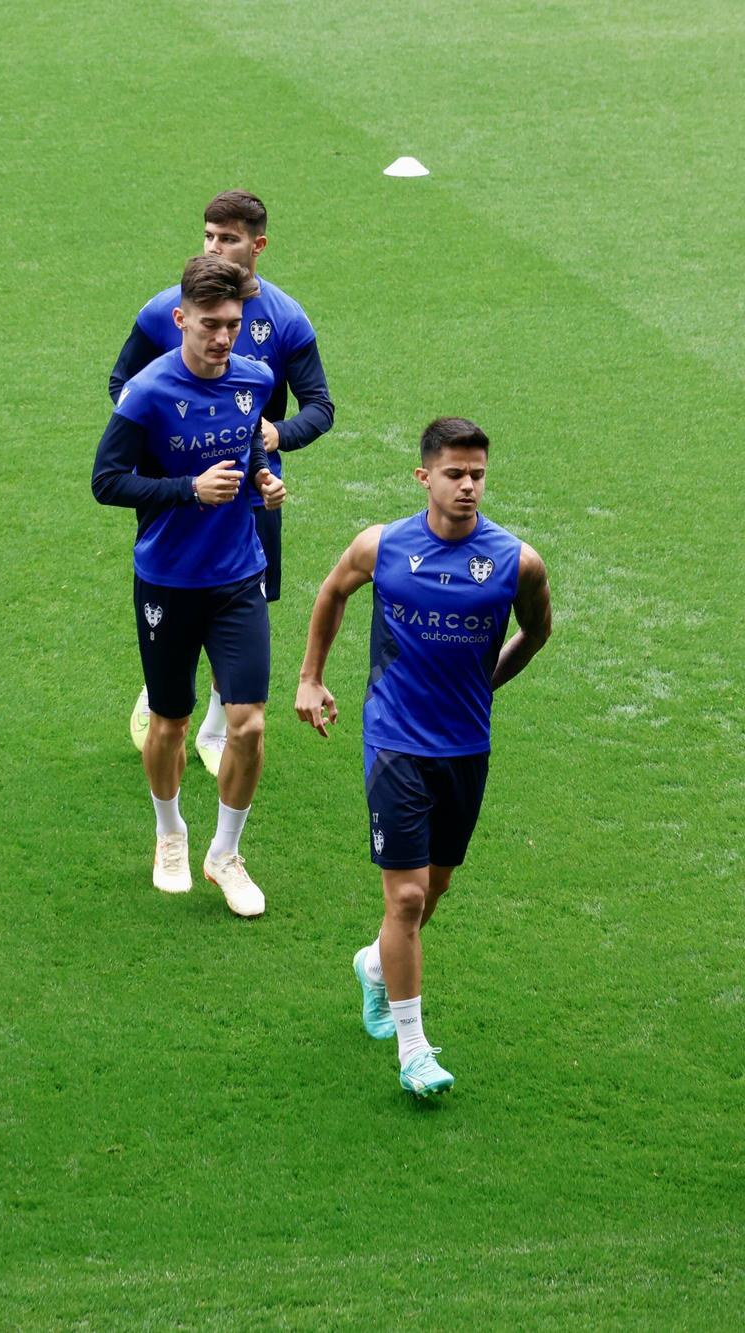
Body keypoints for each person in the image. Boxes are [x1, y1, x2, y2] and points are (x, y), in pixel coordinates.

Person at [293, 418, 552, 1098]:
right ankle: (414, 1048)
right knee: (405, 895)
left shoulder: (515, 561)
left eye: (478, 475)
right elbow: (330, 594)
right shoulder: (382, 546)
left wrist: (484, 684)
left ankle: (375, 967)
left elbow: (537, 630)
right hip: (395, 740)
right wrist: (310, 676)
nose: (468, 486)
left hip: (466, 744)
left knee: (434, 888)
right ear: (424, 477)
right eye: (455, 474)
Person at [109, 191, 334, 774]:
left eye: (228, 238)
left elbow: (320, 406)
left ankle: (215, 722)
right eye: (209, 236)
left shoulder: (285, 319)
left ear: (257, 245)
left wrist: (274, 441)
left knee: (241, 602)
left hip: (253, 489)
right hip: (177, 485)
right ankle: (167, 689)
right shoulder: (167, 309)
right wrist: (164, 455)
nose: (215, 247)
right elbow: (122, 385)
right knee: (177, 581)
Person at [92, 255, 285, 918]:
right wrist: (188, 491)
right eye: (209, 324)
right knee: (169, 722)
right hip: (168, 581)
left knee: (250, 724)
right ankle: (170, 831)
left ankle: (224, 854)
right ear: (181, 320)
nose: (222, 337)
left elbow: (248, 445)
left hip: (238, 577)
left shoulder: (255, 379)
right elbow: (106, 481)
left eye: (232, 324)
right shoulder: (146, 391)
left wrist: (263, 478)